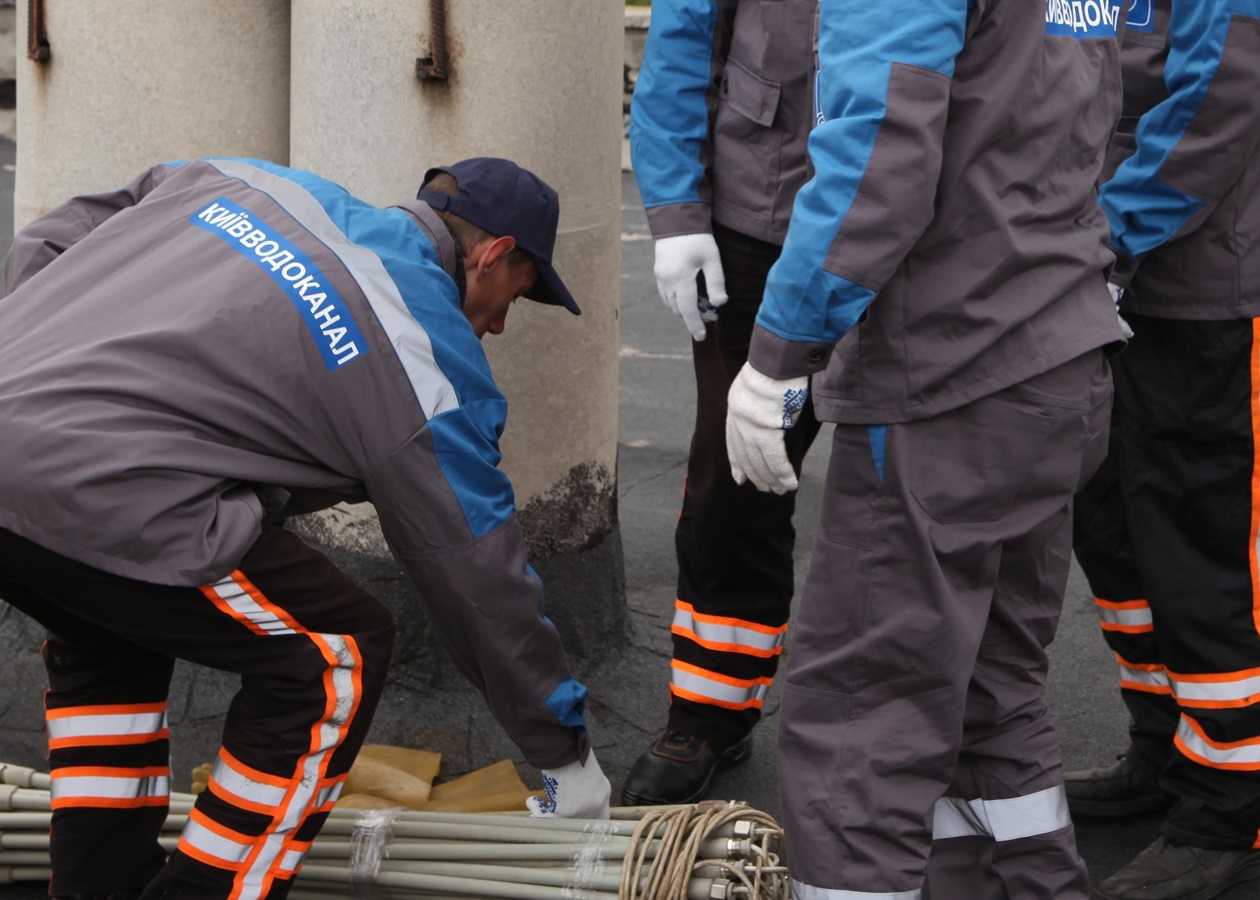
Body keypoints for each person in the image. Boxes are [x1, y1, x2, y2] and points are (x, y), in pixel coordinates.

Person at [0, 155, 611, 900]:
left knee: (113, 631)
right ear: (493, 254)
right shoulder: (418, 340)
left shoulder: (240, 180)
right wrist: (562, 753)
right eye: (514, 294)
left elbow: (52, 237)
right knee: (335, 655)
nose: (501, 322)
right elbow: (475, 566)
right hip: (111, 490)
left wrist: (33, 386)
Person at [724, 1, 1128, 896]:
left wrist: (780, 349)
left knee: (864, 713)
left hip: (949, 375)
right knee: (990, 689)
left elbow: (877, 153)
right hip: (1054, 352)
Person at [1063, 1, 1260, 897]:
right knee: (1115, 532)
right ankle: (1168, 748)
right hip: (1113, 272)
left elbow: (1219, 96)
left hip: (1205, 285)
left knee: (1203, 553)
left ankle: (1231, 805)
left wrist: (1105, 239)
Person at [620, 0, 822, 807]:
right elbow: (684, 40)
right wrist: (676, 210)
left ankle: (920, 713)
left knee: (917, 486)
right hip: (761, 220)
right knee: (734, 480)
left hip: (919, 229)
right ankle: (710, 712)